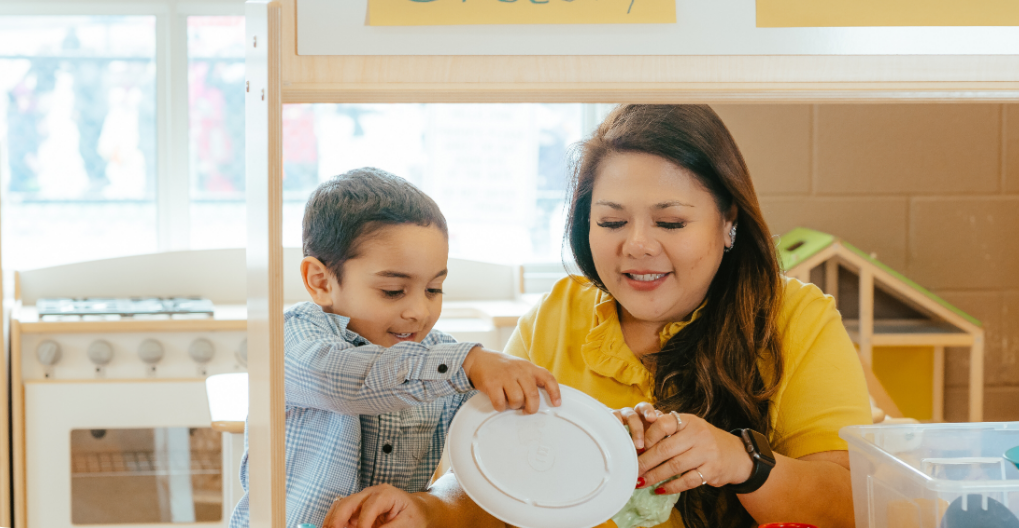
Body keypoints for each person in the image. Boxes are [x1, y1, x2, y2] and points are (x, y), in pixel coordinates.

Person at [322, 106, 872, 528]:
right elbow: (485, 483)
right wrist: (423, 511)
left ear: (729, 223)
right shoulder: (557, 314)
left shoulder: (796, 319)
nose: (637, 246)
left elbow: (852, 503)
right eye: (611, 222)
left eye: (671, 223)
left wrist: (740, 459)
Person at [228, 168, 561, 528]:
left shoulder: (440, 358)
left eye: (434, 289)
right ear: (320, 281)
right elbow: (344, 379)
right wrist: (468, 363)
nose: (419, 311)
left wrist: (604, 428)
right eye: (392, 291)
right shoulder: (293, 339)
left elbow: (501, 435)